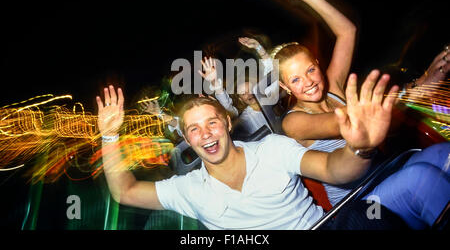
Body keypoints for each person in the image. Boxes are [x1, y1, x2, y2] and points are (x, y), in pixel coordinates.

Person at [95, 71, 449, 230]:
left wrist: (360, 149)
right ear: (187, 138)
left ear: (228, 123)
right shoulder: (186, 190)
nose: (205, 133)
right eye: (194, 129)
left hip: (331, 225)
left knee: (431, 164)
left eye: (212, 122)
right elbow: (124, 191)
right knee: (420, 179)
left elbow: (333, 171)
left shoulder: (272, 149)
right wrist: (109, 137)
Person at [274, 0, 450, 205]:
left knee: (444, 153)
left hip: (386, 171)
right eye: (295, 80)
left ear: (317, 64)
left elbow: (347, 31)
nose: (308, 82)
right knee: (424, 179)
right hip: (359, 200)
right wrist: (419, 87)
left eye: (310, 70)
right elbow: (350, 120)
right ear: (285, 86)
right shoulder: (292, 122)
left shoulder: (333, 87)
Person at [197, 37, 273, 136]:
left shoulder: (272, 100)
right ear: (240, 99)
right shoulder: (244, 118)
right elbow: (227, 105)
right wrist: (215, 82)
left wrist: (258, 47)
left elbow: (271, 72)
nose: (249, 94)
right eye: (243, 94)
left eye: (250, 89)